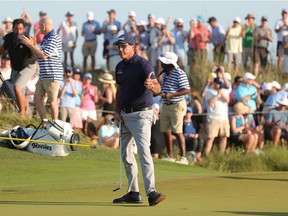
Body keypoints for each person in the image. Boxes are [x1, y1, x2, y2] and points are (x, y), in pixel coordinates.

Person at [113, 33, 165, 206]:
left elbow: (157, 88)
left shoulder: (143, 64)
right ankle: (133, 192)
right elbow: (119, 90)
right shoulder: (119, 66)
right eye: (119, 47)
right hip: (125, 115)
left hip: (142, 115)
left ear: (132, 46)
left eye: (124, 46)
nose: (121, 49)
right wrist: (117, 110)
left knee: (144, 153)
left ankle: (151, 192)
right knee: (126, 155)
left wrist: (152, 86)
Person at [22, 17, 63, 121]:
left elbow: (44, 55)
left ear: (44, 26)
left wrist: (30, 45)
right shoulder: (45, 38)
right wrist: (34, 45)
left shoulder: (54, 37)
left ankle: (55, 124)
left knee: (52, 101)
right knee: (37, 99)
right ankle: (44, 123)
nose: (38, 28)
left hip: (52, 75)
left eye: (40, 26)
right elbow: (39, 53)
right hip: (44, 75)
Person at [0, 18, 37, 117]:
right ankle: (24, 117)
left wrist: (32, 44)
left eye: (21, 29)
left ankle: (22, 114)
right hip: (16, 68)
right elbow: (2, 50)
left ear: (24, 29)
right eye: (16, 29)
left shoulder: (27, 40)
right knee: (20, 92)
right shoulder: (8, 38)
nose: (19, 31)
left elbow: (35, 53)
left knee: (17, 87)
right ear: (12, 28)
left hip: (29, 67)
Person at [159, 52, 190, 165]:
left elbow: (186, 90)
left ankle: (183, 158)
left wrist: (171, 95)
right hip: (166, 105)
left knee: (177, 131)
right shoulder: (165, 74)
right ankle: (170, 156)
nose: (161, 63)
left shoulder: (179, 73)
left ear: (169, 63)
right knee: (165, 131)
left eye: (163, 61)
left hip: (177, 105)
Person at [204, 77, 230, 156]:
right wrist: (217, 95)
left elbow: (227, 100)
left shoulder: (224, 91)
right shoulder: (209, 91)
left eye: (220, 84)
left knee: (224, 137)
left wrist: (221, 94)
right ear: (214, 83)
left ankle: (220, 155)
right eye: (217, 83)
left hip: (223, 118)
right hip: (213, 118)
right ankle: (206, 155)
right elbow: (210, 102)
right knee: (211, 138)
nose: (218, 85)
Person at [80, 72, 98, 137]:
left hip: (92, 108)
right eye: (86, 79)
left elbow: (96, 101)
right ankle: (83, 137)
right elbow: (80, 100)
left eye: (89, 79)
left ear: (91, 80)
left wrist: (95, 93)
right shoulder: (80, 86)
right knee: (83, 125)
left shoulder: (93, 87)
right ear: (83, 79)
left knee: (92, 125)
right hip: (83, 108)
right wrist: (85, 92)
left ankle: (92, 138)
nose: (87, 80)